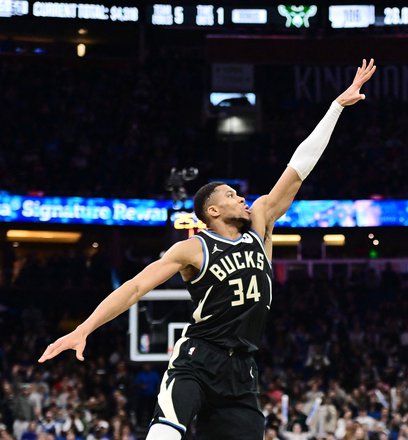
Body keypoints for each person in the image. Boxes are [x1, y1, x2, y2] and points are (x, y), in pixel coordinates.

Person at [38, 58, 377, 440]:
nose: (243, 198)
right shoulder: (194, 249)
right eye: (232, 195)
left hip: (242, 369)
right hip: (197, 360)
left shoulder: (261, 223)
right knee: (165, 434)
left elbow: (299, 167)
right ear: (212, 211)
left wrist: (335, 108)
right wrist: (84, 328)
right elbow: (134, 287)